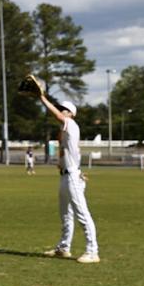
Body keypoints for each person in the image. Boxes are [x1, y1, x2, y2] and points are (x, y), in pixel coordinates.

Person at [36, 95, 100, 264]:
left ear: (71, 114)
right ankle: (64, 248)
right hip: (68, 176)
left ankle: (92, 251)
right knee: (66, 215)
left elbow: (58, 116)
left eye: (64, 110)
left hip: (71, 177)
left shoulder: (71, 124)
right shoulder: (65, 133)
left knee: (82, 214)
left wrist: (42, 98)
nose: (61, 111)